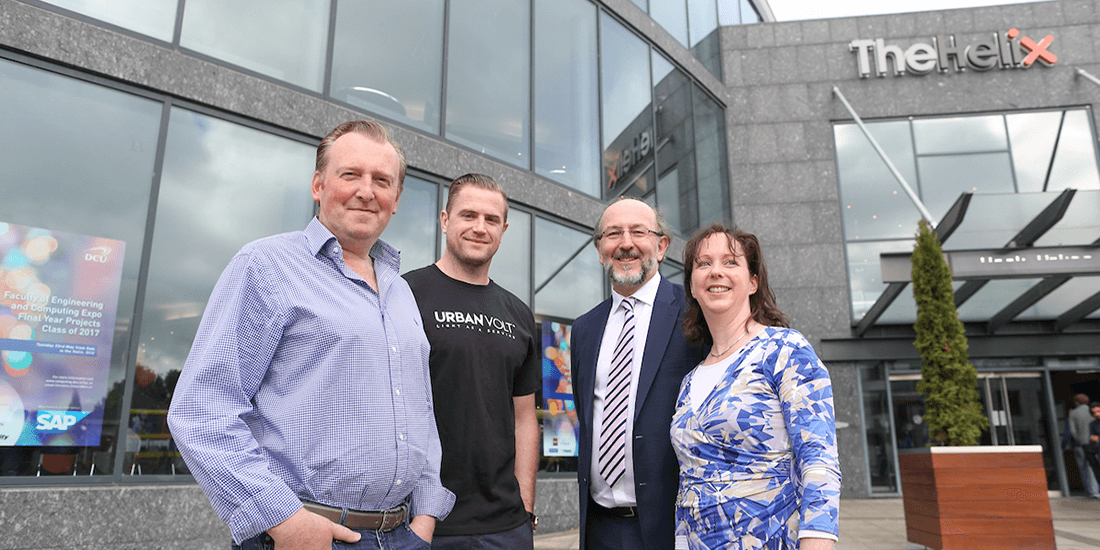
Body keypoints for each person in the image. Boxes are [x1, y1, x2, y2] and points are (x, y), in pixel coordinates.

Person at [168, 120, 455, 550]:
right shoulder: (265, 265)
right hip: (306, 536)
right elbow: (202, 409)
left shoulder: (401, 292)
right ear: (318, 185)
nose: (366, 190)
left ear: (395, 200)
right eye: (350, 174)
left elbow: (422, 415)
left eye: (382, 180)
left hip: (403, 535)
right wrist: (283, 520)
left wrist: (426, 517)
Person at [672, 223, 840, 550]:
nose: (715, 271)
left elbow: (820, 462)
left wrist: (817, 543)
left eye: (730, 262)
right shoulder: (689, 381)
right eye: (703, 264)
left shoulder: (785, 350)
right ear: (692, 286)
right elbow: (688, 487)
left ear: (752, 282)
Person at [403, 174, 541, 549]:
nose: (480, 228)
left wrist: (525, 507)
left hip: (506, 526)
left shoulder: (519, 314)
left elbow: (525, 419)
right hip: (422, 522)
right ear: (445, 220)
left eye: (491, 219)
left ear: (504, 228)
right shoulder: (405, 295)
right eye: (468, 216)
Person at [571, 197, 703, 550]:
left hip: (672, 527)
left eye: (638, 232)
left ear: (660, 246)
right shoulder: (584, 329)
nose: (625, 243)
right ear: (600, 250)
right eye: (613, 234)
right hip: (599, 528)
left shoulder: (695, 314)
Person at [1070, 393, 1100, 497]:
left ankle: (1092, 490)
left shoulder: (1074, 413)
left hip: (1082, 443)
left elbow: (1073, 431)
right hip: (1095, 443)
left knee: (1085, 466)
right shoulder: (1094, 411)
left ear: (1076, 402)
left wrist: (1080, 439)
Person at [1084, 402, 1100, 496]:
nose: (1096, 414)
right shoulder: (1093, 424)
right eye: (1094, 412)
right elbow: (1092, 436)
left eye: (1098, 411)